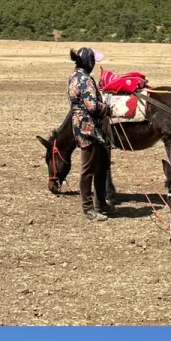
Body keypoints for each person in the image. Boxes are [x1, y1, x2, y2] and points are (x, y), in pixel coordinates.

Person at [67, 46, 110, 222]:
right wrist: (106, 108)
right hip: (88, 128)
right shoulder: (85, 80)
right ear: (89, 62)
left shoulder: (74, 77)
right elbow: (92, 105)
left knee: (99, 165)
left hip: (81, 125)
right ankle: (88, 208)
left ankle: (101, 203)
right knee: (88, 168)